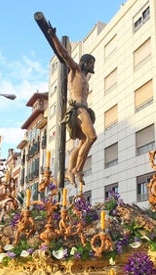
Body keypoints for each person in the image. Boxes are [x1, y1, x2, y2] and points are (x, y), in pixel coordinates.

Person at [46, 27, 97, 187]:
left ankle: (70, 170)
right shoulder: (75, 70)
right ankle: (78, 170)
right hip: (79, 109)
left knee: (84, 142)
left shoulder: (84, 77)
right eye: (91, 63)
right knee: (92, 137)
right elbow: (64, 54)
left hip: (84, 110)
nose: (92, 66)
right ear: (86, 62)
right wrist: (53, 36)